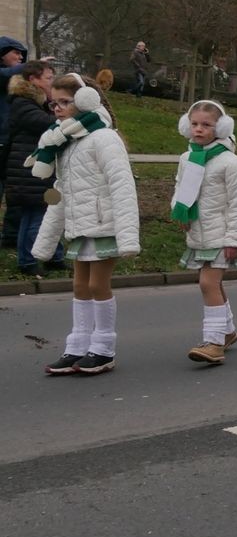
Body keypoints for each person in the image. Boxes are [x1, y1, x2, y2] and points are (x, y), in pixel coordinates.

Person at [32, 74, 139, 375]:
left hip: (106, 226)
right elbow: (61, 194)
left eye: (65, 102)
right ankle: (77, 346)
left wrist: (128, 235)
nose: (57, 108)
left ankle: (104, 348)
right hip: (80, 227)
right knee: (79, 285)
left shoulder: (104, 138)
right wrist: (45, 242)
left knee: (96, 285)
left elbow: (122, 186)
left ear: (86, 101)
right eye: (54, 103)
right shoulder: (67, 141)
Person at [172, 100, 237, 365]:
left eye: (206, 125)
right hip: (198, 233)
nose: (198, 129)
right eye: (194, 124)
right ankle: (227, 332)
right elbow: (180, 188)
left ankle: (213, 343)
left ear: (222, 127)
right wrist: (179, 211)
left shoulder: (230, 163)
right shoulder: (187, 158)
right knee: (213, 284)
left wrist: (235, 239)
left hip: (222, 235)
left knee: (207, 283)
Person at [4, 61, 67, 275]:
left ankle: (53, 257)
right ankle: (28, 261)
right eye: (49, 78)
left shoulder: (37, 102)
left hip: (35, 172)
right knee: (36, 216)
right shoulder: (23, 104)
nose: (52, 82)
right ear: (33, 80)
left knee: (48, 213)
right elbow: (48, 124)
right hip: (29, 173)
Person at [0, 36, 32, 247]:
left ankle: (11, 238)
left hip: (13, 144)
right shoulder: (6, 75)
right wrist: (30, 67)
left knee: (16, 191)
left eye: (22, 54)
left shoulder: (18, 81)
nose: (20, 57)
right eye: (16, 53)